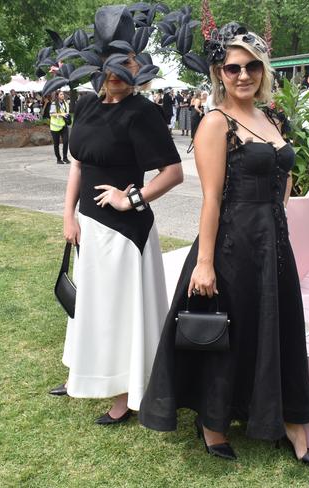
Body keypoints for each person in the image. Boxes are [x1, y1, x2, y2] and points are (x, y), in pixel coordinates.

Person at [139, 19, 309, 468]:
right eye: (232, 67)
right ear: (219, 73)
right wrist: (204, 263)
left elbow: (285, 173)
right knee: (230, 332)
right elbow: (210, 198)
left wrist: (277, 220)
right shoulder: (214, 123)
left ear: (263, 71)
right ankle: (214, 424)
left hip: (272, 243)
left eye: (252, 67)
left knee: (277, 328)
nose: (243, 75)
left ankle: (288, 422)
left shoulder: (271, 117)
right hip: (231, 245)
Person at [44, 4, 183, 424]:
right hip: (89, 227)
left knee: (117, 314)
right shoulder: (85, 106)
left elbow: (173, 172)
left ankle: (122, 396)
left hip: (125, 233)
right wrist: (68, 216)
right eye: (116, 67)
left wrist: (132, 198)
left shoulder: (142, 112)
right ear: (101, 67)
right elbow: (78, 166)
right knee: (90, 309)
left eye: (131, 69)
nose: (121, 76)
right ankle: (83, 375)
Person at [49, 91, 70, 164]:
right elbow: (51, 114)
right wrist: (61, 114)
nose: (63, 95)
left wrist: (67, 116)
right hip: (55, 127)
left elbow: (67, 112)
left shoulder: (65, 103)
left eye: (63, 94)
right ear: (57, 96)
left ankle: (65, 157)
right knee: (56, 144)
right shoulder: (54, 104)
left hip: (64, 125)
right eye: (61, 94)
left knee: (66, 141)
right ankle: (58, 159)